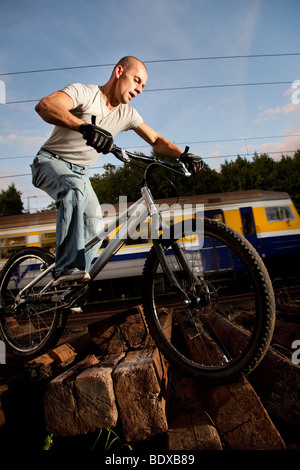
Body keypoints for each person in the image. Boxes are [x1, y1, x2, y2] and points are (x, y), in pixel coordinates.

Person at [32, 56, 203, 286]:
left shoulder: (128, 114)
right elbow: (45, 105)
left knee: (95, 226)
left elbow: (156, 140)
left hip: (80, 174)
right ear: (119, 71)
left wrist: (183, 155)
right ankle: (67, 269)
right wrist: (84, 127)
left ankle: (71, 287)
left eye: (143, 86)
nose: (139, 89)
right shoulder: (85, 93)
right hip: (49, 162)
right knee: (72, 190)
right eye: (136, 80)